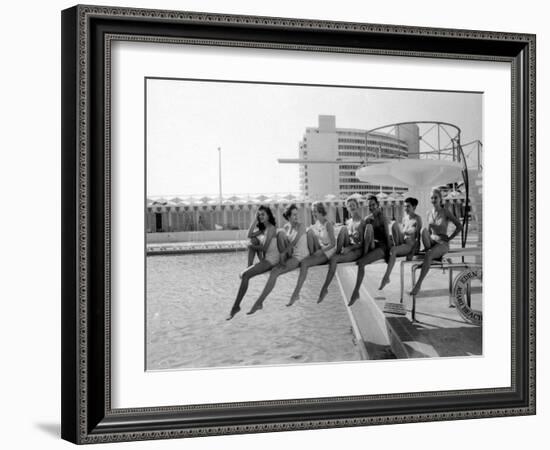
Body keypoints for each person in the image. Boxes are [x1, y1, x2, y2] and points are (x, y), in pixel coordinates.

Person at [247, 204, 310, 315]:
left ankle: (259, 302)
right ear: (289, 217)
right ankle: (259, 303)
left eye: (297, 214)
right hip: (291, 255)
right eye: (294, 215)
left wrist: (283, 253)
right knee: (280, 236)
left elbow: (294, 242)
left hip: (299, 256)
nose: (297, 217)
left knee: (275, 272)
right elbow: (283, 242)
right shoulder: (286, 227)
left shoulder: (301, 226)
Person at [226, 206, 279, 320]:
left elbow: (264, 248)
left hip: (272, 260)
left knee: (245, 274)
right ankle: (249, 268)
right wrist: (255, 220)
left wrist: (252, 246)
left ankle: (236, 307)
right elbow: (249, 234)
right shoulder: (264, 229)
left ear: (268, 215)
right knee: (253, 240)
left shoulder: (271, 228)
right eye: (259, 214)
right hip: (266, 258)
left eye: (263, 214)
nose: (261, 216)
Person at [409, 188, 463, 296]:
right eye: (432, 198)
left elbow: (459, 226)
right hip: (431, 241)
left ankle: (418, 284)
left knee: (428, 255)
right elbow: (428, 231)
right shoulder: (429, 213)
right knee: (423, 230)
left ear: (440, 199)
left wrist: (450, 237)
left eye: (435, 197)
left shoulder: (445, 212)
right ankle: (429, 252)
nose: (433, 200)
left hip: (443, 242)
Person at [317, 196, 365, 303]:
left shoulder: (361, 222)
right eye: (349, 205)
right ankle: (336, 252)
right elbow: (346, 236)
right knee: (343, 229)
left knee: (333, 259)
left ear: (357, 206)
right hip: (349, 247)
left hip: (357, 251)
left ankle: (325, 288)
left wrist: (349, 248)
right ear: (347, 208)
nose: (351, 207)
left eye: (353, 205)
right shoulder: (349, 222)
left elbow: (363, 243)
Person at [287, 201, 336, 306]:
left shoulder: (328, 224)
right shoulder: (317, 224)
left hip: (329, 251)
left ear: (321, 212)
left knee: (304, 263)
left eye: (316, 212)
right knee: (309, 233)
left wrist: (320, 251)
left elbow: (333, 244)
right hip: (322, 248)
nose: (313, 214)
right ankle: (296, 293)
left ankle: (296, 293)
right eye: (313, 211)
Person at [348, 195, 391, 306]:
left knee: (361, 263)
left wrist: (388, 256)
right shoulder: (367, 218)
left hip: (382, 247)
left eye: (373, 205)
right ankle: (364, 254)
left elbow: (387, 236)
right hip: (373, 245)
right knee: (368, 227)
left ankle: (355, 291)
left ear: (377, 205)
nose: (371, 207)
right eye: (369, 205)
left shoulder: (382, 217)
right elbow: (365, 237)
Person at [378, 197, 422, 290]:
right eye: (405, 206)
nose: (405, 209)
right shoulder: (405, 218)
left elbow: (418, 238)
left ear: (414, 207)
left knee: (393, 250)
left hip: (410, 246)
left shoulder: (417, 219)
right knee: (394, 225)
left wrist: (412, 253)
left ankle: (386, 277)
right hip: (403, 242)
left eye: (408, 206)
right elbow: (401, 232)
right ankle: (394, 248)